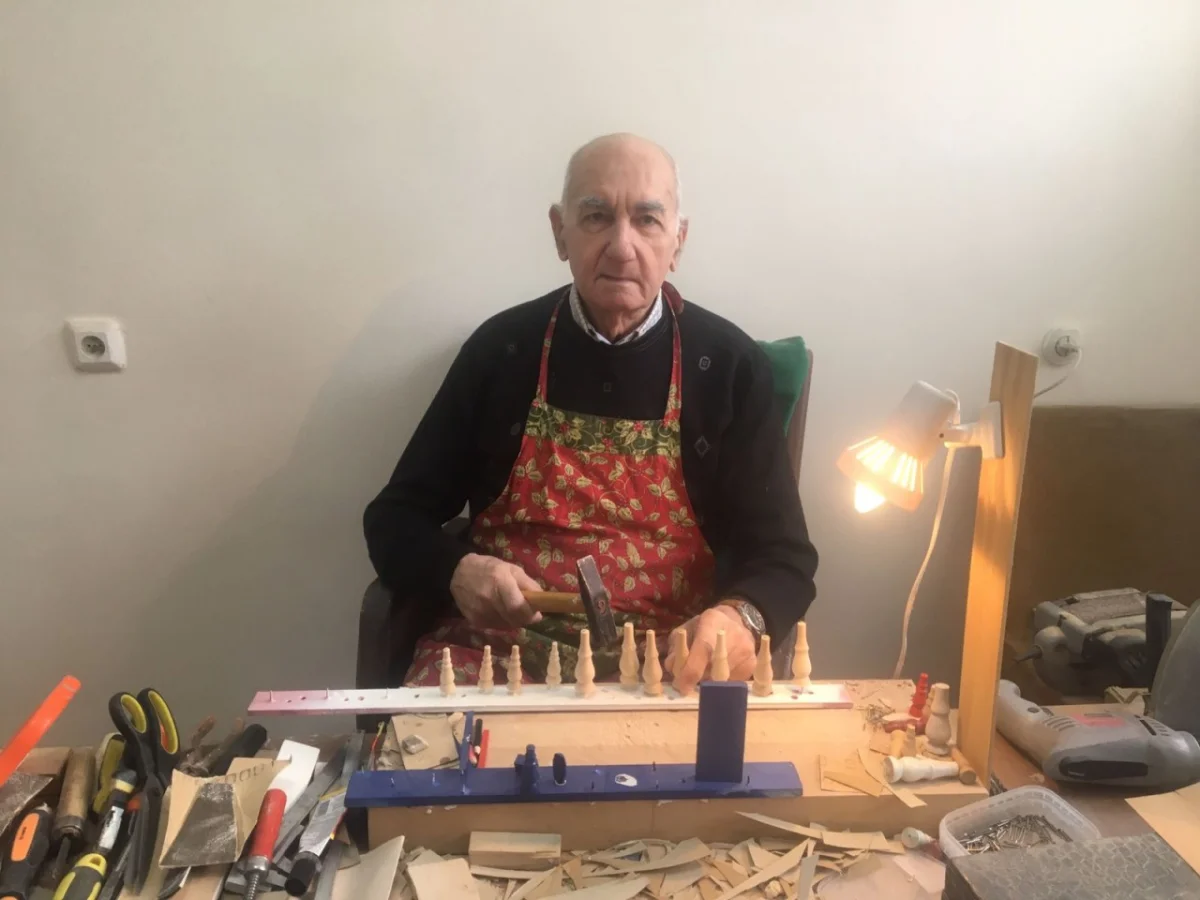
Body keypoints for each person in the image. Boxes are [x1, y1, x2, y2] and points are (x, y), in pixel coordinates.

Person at [364, 133, 818, 694]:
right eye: (597, 216)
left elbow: (785, 558)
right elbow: (392, 519)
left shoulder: (730, 368)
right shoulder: (501, 352)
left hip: (667, 669)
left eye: (647, 220)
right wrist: (456, 570)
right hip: (493, 659)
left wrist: (742, 617)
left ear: (678, 240)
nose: (622, 247)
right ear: (560, 232)